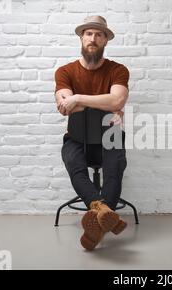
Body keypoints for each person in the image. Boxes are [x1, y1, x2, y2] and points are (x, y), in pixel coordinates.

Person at [54, 15, 129, 251]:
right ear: (81, 37)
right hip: (77, 136)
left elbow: (117, 98)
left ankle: (97, 218)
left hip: (109, 133)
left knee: (115, 166)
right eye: (88, 33)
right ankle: (104, 211)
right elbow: (65, 107)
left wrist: (78, 99)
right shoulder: (65, 71)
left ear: (106, 40)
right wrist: (106, 104)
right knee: (74, 163)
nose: (93, 39)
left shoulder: (118, 70)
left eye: (99, 34)